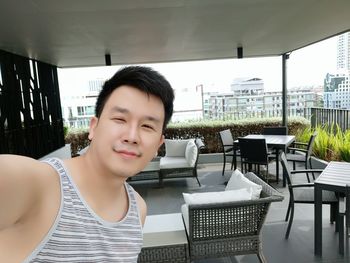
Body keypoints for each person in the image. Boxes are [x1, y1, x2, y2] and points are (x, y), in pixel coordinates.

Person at [0, 66, 174, 262]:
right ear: (93, 127)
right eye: (119, 119)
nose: (132, 136)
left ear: (158, 144)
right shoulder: (36, 183)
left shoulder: (137, 210)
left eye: (147, 126)